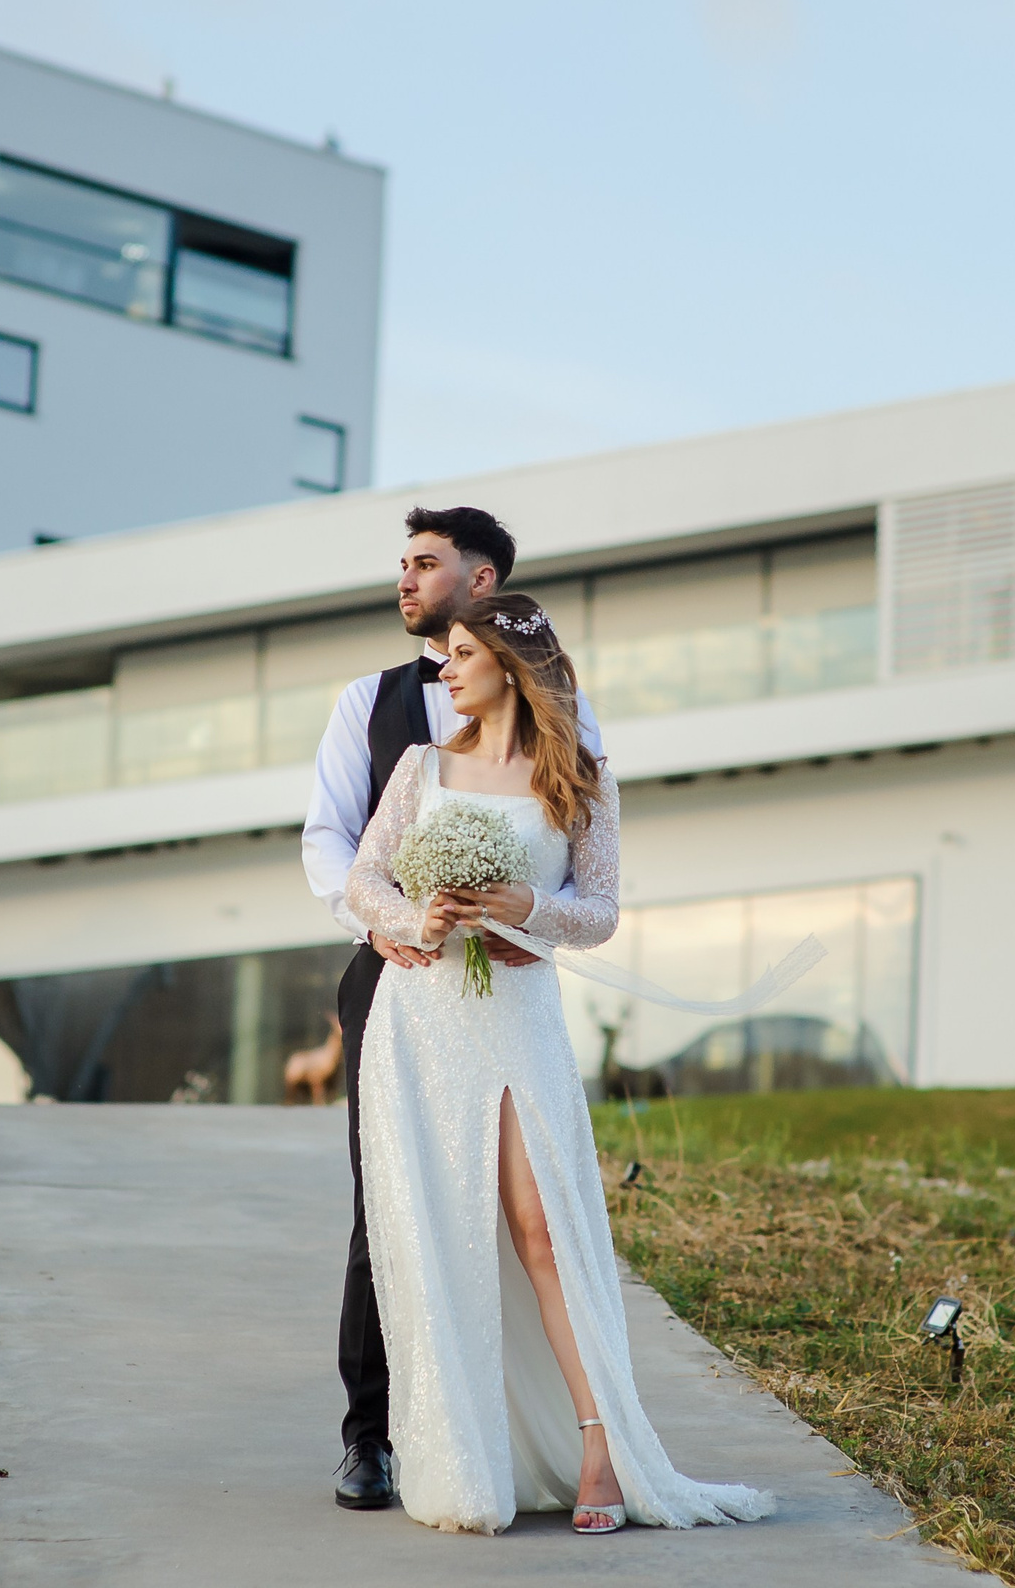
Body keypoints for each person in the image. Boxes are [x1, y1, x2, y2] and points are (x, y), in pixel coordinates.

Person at [342, 592, 771, 1534]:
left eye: (461, 652)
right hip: (420, 1023)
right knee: (437, 1234)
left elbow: (603, 909)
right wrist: (424, 919)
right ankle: (465, 1460)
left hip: (517, 1021)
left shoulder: (580, 773)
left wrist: (524, 905)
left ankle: (598, 1446)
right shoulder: (421, 767)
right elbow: (363, 879)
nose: (445, 668)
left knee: (542, 1233)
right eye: (444, 654)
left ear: (507, 661)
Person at [300, 506, 603, 1512]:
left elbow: (577, 848)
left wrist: (523, 915)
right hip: (392, 974)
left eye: (424, 564)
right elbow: (331, 845)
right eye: (402, 564)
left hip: (510, 983)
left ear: (483, 583)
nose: (405, 579)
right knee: (386, 1207)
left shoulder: (567, 717)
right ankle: (373, 1437)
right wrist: (391, 925)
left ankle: (538, 1432)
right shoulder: (369, 704)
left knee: (527, 1219)